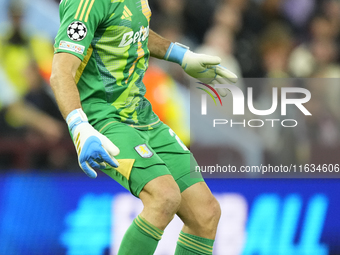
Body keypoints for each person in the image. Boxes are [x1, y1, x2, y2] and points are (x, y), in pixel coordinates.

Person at [50, 0, 237, 254]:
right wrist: (79, 127)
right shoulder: (86, 3)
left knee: (206, 214)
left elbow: (131, 31)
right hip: (105, 120)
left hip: (143, 116)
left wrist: (181, 55)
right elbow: (61, 71)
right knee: (164, 197)